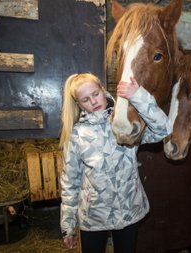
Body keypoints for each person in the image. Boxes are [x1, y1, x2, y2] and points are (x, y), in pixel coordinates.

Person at [59, 73, 172, 253]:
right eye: (85, 99)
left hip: (128, 208)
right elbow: (70, 183)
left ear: (103, 90)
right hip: (93, 216)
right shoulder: (77, 135)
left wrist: (138, 96)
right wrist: (68, 226)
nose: (94, 101)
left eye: (95, 93)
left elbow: (163, 129)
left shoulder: (125, 121)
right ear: (79, 105)